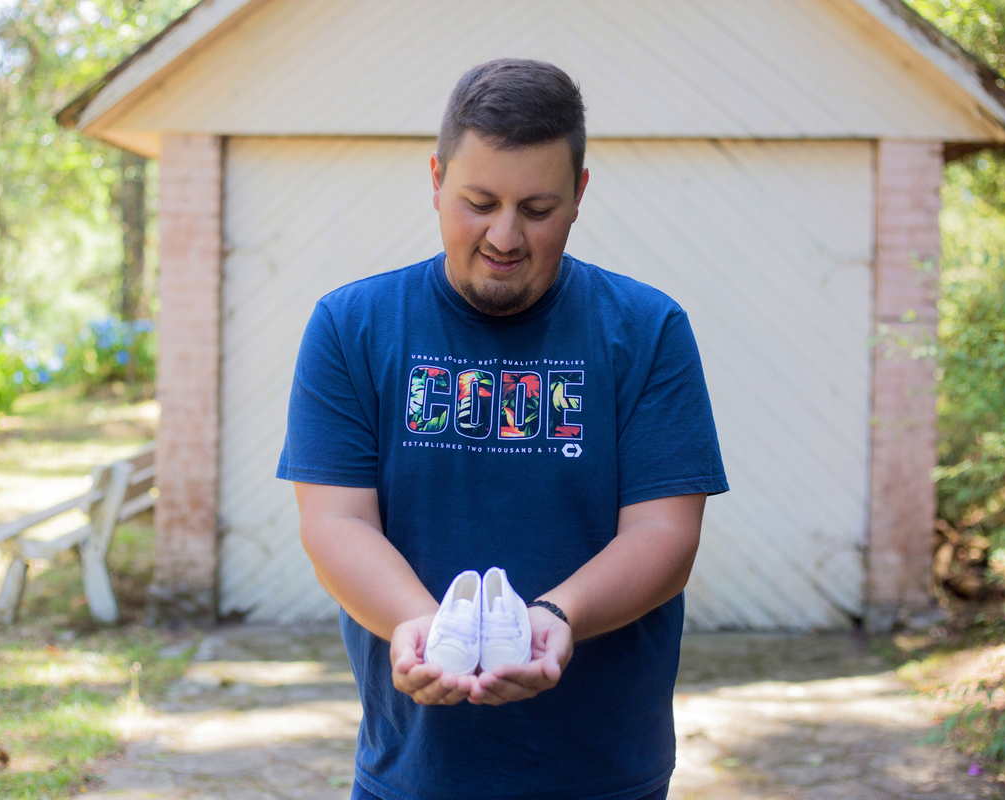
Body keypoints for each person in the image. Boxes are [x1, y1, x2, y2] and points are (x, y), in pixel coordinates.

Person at [277, 58, 728, 800]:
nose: (505, 236)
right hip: (413, 772)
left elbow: (665, 538)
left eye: (538, 208)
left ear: (580, 195)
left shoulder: (647, 331)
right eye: (478, 201)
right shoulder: (352, 327)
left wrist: (556, 616)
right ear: (434, 178)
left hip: (604, 774)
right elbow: (334, 523)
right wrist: (422, 623)